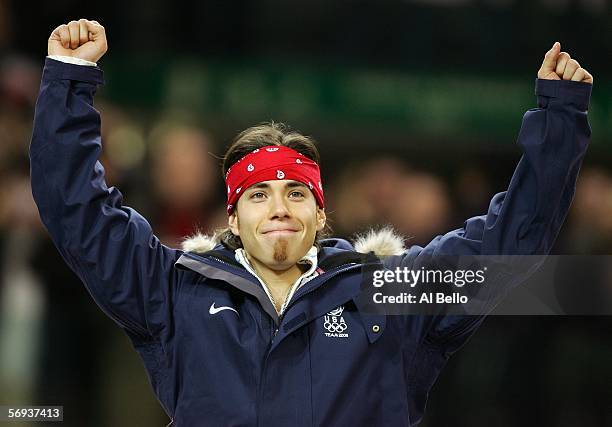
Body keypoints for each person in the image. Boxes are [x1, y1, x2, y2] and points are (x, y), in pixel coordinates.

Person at [30, 19, 593, 427]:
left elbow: (508, 245)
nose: (279, 206)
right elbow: (77, 211)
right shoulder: (175, 290)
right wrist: (69, 82)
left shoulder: (389, 289)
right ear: (233, 217)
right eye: (258, 195)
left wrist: (560, 118)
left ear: (321, 212)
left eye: (296, 192)